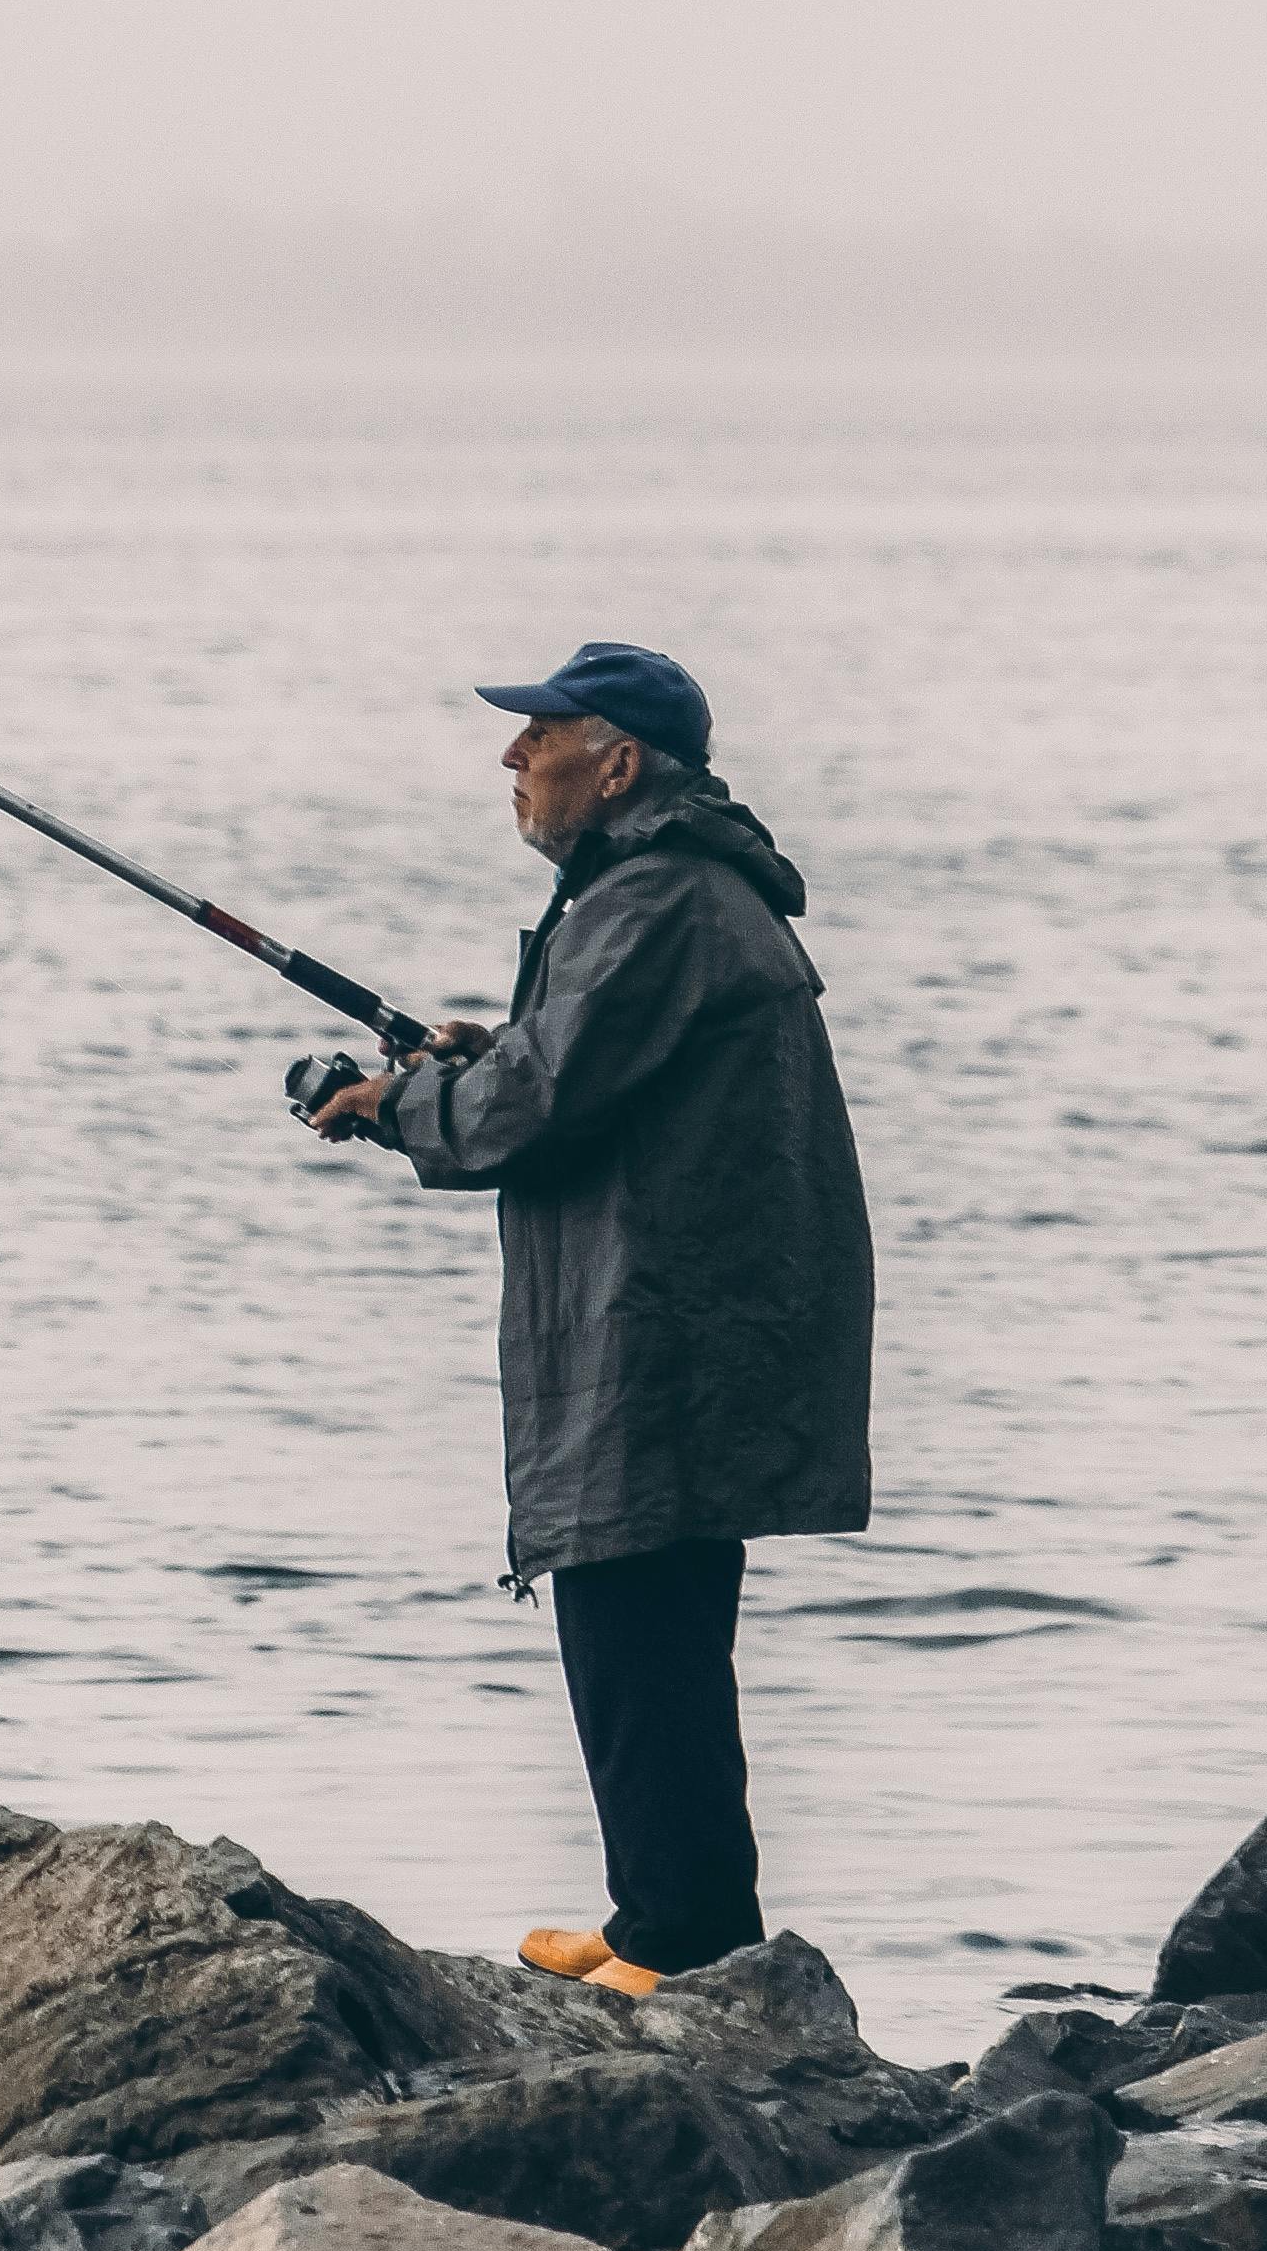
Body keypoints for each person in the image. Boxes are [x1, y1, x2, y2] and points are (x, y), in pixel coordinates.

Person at [307, 640, 872, 1993]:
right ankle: (665, 1915)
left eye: (541, 736)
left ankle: (683, 1942)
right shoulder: (654, 891)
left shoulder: (658, 897)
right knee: (640, 1620)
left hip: (672, 1329)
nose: (514, 759)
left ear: (618, 764)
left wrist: (394, 1106)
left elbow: (530, 1111)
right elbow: (572, 1073)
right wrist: (470, 1057)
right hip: (681, 1317)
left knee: (640, 1624)